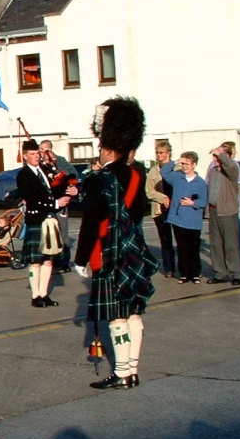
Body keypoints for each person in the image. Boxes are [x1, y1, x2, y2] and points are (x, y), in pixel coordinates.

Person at [74, 97, 157, 390]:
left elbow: (91, 222)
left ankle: (121, 373)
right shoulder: (137, 174)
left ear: (108, 147)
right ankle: (132, 371)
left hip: (108, 251)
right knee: (133, 312)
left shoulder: (99, 179)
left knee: (116, 317)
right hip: (134, 251)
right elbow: (139, 211)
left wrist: (81, 258)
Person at [16, 139, 75, 307]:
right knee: (36, 261)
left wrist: (72, 189)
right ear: (25, 156)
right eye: (32, 154)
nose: (36, 156)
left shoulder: (45, 170)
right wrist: (56, 204)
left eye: (37, 153)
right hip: (36, 219)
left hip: (50, 219)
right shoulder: (23, 175)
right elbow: (33, 199)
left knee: (48, 260)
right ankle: (35, 296)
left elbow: (59, 185)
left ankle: (44, 294)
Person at [161, 152, 207, 284]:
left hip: (193, 221)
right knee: (182, 248)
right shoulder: (177, 177)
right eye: (183, 163)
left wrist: (193, 203)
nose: (184, 166)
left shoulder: (201, 183)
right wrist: (175, 161)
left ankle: (195, 274)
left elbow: (203, 201)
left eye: (187, 164)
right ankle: (184, 274)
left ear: (194, 165)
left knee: (193, 248)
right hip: (178, 220)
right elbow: (164, 171)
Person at [204, 142, 240, 286]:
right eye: (214, 156)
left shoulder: (231, 170)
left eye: (218, 156)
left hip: (227, 211)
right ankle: (220, 272)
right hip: (214, 210)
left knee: (231, 245)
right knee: (216, 244)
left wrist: (221, 154)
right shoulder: (213, 171)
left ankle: (236, 273)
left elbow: (230, 166)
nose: (215, 159)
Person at [39, 140, 79, 272]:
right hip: (47, 202)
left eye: (44, 150)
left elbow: (73, 174)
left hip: (61, 202)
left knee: (63, 232)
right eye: (40, 149)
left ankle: (64, 262)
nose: (42, 152)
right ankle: (50, 259)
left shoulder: (60, 161)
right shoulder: (39, 163)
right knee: (48, 232)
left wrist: (62, 175)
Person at [145, 140, 176, 278]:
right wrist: (162, 198)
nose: (159, 155)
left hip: (176, 209)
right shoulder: (153, 171)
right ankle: (169, 268)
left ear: (168, 153)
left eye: (161, 153)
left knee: (181, 240)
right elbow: (148, 191)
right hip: (160, 210)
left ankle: (186, 269)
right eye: (157, 153)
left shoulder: (177, 168)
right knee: (165, 240)